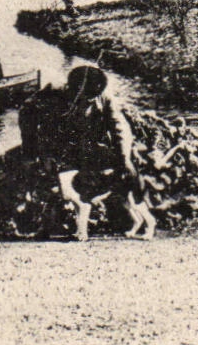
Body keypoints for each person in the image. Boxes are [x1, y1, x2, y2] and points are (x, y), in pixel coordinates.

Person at [26, 66, 154, 241]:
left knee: (77, 192)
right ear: (74, 90)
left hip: (89, 150)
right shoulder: (53, 94)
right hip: (59, 150)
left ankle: (83, 226)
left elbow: (120, 129)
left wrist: (125, 159)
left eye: (92, 97)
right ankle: (46, 227)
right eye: (85, 97)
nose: (89, 101)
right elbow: (29, 114)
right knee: (56, 190)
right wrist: (33, 148)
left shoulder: (105, 99)